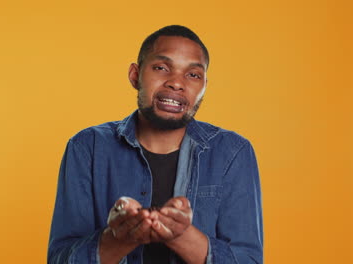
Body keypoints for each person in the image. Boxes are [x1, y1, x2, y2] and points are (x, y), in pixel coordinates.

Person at [48, 25, 263, 264]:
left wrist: (182, 236)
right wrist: (119, 239)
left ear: (204, 86)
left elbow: (248, 260)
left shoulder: (233, 153)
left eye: (192, 74)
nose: (176, 83)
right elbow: (59, 259)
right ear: (134, 75)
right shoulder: (87, 147)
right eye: (161, 68)